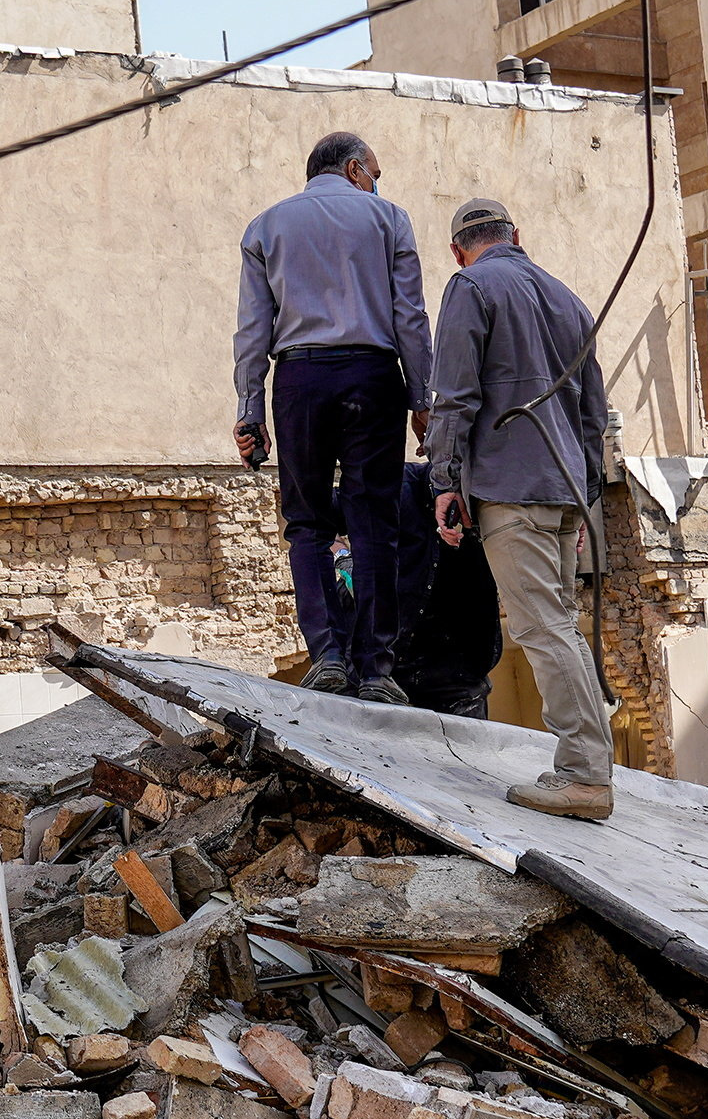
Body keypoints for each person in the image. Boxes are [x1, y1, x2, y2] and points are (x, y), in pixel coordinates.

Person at [427, 198, 618, 822]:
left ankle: (585, 775)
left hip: (511, 488)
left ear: (459, 249)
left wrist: (445, 480)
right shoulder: (569, 300)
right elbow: (594, 418)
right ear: (517, 236)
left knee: (542, 628)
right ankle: (585, 764)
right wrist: (585, 500)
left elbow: (454, 398)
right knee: (559, 623)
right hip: (564, 489)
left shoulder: (470, 286)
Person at [236, 131, 432, 703]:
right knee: (376, 524)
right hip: (374, 377)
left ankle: (326, 654)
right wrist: (423, 400)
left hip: (299, 379)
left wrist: (251, 411)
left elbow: (252, 330)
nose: (377, 183)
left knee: (307, 524)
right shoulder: (388, 219)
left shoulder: (266, 226)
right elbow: (411, 318)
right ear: (353, 169)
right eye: (375, 172)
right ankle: (375, 669)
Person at [384, 459, 507, 720]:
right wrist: (344, 558)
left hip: (462, 674)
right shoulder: (396, 483)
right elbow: (318, 521)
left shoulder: (487, 485)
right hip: (396, 666)